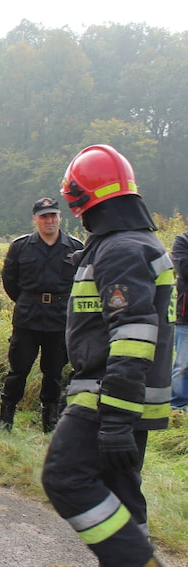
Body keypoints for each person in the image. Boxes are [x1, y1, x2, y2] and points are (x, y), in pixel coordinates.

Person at [42, 144, 173, 567]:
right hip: (121, 393)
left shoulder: (119, 250)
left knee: (64, 477)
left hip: (110, 396)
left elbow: (133, 334)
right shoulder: (132, 243)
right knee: (121, 493)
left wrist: (114, 418)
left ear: (80, 199)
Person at [0, 196, 83, 432]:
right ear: (35, 219)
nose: (49, 221)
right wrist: (27, 301)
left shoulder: (76, 248)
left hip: (59, 319)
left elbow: (82, 284)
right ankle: (5, 419)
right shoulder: (21, 246)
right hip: (28, 317)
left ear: (60, 218)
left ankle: (50, 422)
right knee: (18, 370)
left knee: (54, 373)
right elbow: (10, 281)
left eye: (53, 215)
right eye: (44, 216)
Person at [171, 230, 188, 411]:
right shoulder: (183, 241)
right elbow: (184, 270)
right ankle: (178, 406)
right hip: (186, 316)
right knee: (183, 365)